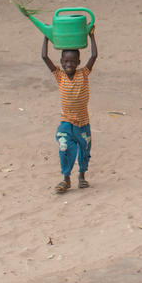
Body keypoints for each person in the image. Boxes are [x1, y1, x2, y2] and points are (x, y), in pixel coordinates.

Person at [41, 27, 98, 194]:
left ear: (78, 63)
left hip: (83, 123)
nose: (69, 64)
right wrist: (46, 37)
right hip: (66, 123)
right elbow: (44, 57)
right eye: (65, 61)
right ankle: (66, 179)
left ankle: (82, 176)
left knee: (84, 150)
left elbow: (94, 56)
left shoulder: (84, 73)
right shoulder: (59, 76)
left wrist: (91, 36)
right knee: (64, 148)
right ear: (61, 62)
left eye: (73, 61)